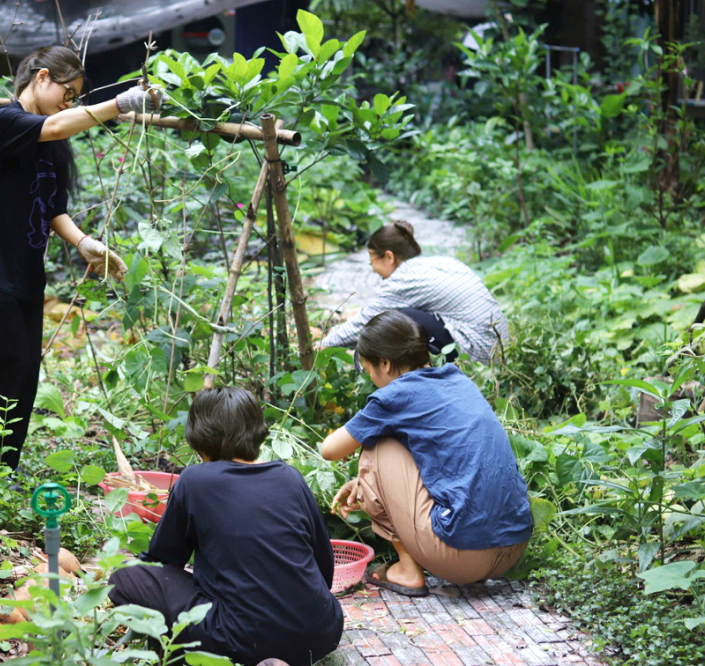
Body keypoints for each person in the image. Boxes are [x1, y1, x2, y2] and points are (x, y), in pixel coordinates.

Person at [0, 46, 164, 472]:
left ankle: (0, 470)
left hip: (26, 269)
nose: (69, 104)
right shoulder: (7, 121)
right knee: (10, 366)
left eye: (74, 98)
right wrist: (121, 103)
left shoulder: (54, 140)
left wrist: (85, 242)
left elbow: (53, 208)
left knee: (26, 373)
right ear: (42, 77)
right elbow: (51, 126)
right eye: (68, 94)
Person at [108, 387, 343, 666]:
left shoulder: (195, 480)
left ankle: (202, 654)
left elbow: (162, 562)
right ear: (257, 431)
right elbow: (323, 566)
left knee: (124, 578)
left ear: (200, 439)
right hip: (321, 632)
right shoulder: (290, 477)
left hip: (238, 638)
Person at [322, 310, 532, 597]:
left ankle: (408, 571)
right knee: (392, 436)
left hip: (462, 559)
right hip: (513, 549)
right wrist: (368, 483)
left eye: (367, 368)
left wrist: (367, 475)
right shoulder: (456, 380)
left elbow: (330, 450)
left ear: (384, 363)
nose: (370, 377)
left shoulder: (394, 397)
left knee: (376, 442)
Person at [319, 220, 509, 364]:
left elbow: (364, 323)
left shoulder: (402, 280)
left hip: (480, 355)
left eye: (372, 260)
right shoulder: (442, 262)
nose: (372, 268)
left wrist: (323, 345)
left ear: (389, 256)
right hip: (502, 346)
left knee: (396, 320)